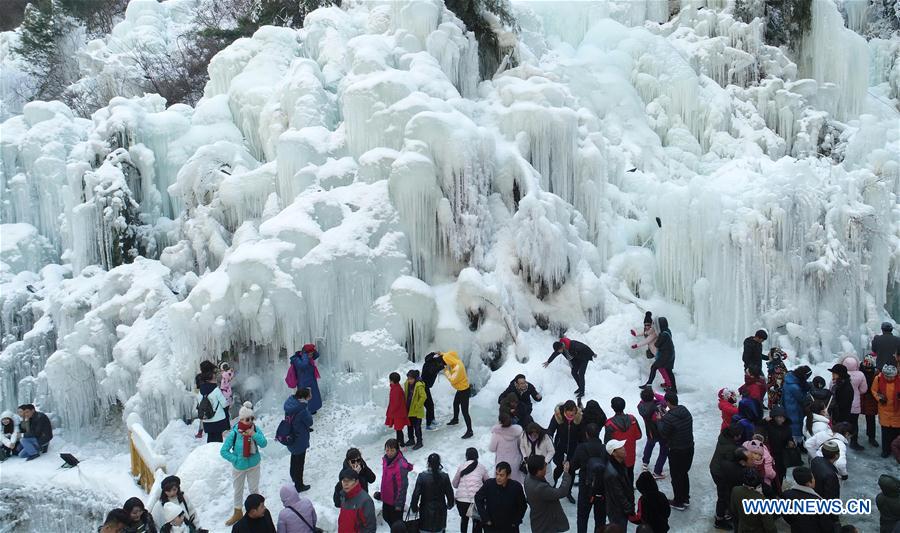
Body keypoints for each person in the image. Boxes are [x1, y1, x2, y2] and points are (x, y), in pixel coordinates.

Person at [221, 402, 268, 526]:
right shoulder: (234, 433)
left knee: (254, 489)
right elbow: (224, 451)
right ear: (241, 419)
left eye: (252, 418)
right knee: (238, 490)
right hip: (239, 467)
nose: (251, 421)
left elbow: (264, 443)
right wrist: (235, 459)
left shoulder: (255, 429)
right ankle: (238, 512)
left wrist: (253, 434)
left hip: (254, 464)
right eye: (248, 419)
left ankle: (257, 510)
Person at [658, 392, 693, 511]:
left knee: (676, 476)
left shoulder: (668, 418)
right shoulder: (685, 410)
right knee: (684, 473)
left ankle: (678, 501)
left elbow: (664, 433)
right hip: (689, 447)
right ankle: (685, 498)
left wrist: (660, 421)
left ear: (667, 402)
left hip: (677, 450)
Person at [571, 423, 607, 533]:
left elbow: (573, 466)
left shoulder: (581, 447)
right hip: (601, 488)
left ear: (587, 434)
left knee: (582, 517)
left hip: (586, 487)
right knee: (600, 520)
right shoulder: (605, 448)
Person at [782, 466, 840, 533]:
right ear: (808, 483)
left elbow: (786, 516)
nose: (814, 480)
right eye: (813, 478)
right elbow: (826, 526)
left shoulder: (786, 495)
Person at [473, 462, 528, 533]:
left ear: (508, 476)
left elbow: (522, 506)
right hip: (491, 526)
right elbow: (478, 498)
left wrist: (516, 521)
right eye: (496, 474)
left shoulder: (516, 487)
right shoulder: (489, 484)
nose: (498, 477)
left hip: (510, 527)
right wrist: (485, 518)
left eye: (501, 475)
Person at [523, 454, 572, 532]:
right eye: (544, 466)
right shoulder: (540, 488)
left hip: (537, 520)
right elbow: (562, 492)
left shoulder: (529, 477)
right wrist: (566, 472)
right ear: (538, 471)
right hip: (546, 524)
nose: (546, 467)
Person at [546, 400, 583, 501]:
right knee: (559, 468)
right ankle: (552, 488)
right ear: (565, 410)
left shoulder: (578, 418)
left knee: (571, 470)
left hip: (573, 448)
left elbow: (582, 434)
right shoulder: (558, 417)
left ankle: (568, 491)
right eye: (569, 411)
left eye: (574, 411)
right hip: (560, 447)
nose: (572, 413)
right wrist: (549, 442)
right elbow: (551, 430)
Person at [709, 425, 743, 530]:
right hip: (720, 473)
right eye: (739, 435)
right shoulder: (730, 448)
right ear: (735, 437)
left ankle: (726, 512)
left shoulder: (723, 438)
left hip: (715, 468)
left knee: (726, 493)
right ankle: (719, 520)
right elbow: (733, 463)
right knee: (723, 496)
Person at [411, 453, 455, 533]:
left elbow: (416, 494)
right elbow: (450, 494)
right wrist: (450, 504)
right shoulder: (444, 477)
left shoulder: (422, 476)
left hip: (425, 512)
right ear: (439, 463)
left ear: (428, 463)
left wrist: (414, 507)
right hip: (440, 512)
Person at [604, 396, 642, 485]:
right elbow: (639, 435)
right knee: (630, 474)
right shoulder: (632, 419)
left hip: (617, 458)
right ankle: (630, 491)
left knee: (619, 479)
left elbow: (607, 444)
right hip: (630, 455)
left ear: (612, 407)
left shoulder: (610, 424)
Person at [377, 438, 413, 527]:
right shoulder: (386, 460)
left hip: (395, 502)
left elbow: (402, 487)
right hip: (387, 499)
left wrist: (399, 505)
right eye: (387, 450)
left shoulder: (400, 465)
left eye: (392, 450)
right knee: (386, 517)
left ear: (397, 450)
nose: (389, 453)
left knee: (396, 525)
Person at [452, 448, 489, 533]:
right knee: (477, 521)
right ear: (477, 456)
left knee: (464, 520)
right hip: (476, 501)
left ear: (466, 456)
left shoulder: (461, 466)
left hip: (461, 500)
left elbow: (454, 484)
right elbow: (488, 482)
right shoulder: (481, 467)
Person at [284, 387, 313, 492]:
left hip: (291, 435)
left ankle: (293, 475)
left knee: (294, 457)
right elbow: (309, 422)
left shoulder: (290, 404)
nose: (311, 395)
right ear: (304, 397)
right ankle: (299, 485)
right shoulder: (302, 409)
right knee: (300, 462)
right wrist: (307, 410)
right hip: (300, 438)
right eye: (310, 394)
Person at [840, 355, 870, 451]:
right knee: (854, 423)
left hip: (843, 404)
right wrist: (857, 391)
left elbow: (832, 387)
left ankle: (841, 441)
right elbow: (864, 389)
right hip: (855, 404)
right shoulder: (860, 374)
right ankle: (854, 442)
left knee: (843, 423)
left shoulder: (840, 374)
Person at [442, 351, 474, 439]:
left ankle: (470, 431)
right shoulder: (455, 360)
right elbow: (447, 354)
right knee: (455, 403)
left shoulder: (458, 367)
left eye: (446, 361)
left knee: (465, 412)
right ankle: (455, 419)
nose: (446, 363)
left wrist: (446, 371)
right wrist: (440, 353)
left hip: (464, 390)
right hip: (460, 389)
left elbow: (452, 379)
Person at [604, 440, 635, 529]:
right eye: (620, 448)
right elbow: (619, 494)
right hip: (617, 511)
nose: (624, 449)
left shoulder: (620, 464)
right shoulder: (612, 473)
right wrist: (629, 508)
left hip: (621, 509)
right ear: (613, 453)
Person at [638, 387, 668, 479]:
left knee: (649, 445)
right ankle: (657, 472)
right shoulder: (658, 406)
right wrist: (655, 394)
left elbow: (642, 402)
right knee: (664, 451)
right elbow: (664, 400)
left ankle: (645, 463)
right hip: (662, 432)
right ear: (652, 397)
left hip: (650, 431)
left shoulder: (640, 406)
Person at [762, 406, 793, 491]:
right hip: (770, 454)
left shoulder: (787, 428)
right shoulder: (768, 425)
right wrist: (764, 421)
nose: (780, 419)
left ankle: (777, 490)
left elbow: (790, 438)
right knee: (769, 474)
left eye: (782, 417)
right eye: (778, 417)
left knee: (780, 474)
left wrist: (791, 442)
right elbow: (759, 427)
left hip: (782, 455)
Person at [873, 364, 900, 458]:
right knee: (885, 433)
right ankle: (886, 450)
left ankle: (896, 450)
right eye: (887, 376)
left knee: (896, 432)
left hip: (897, 411)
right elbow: (874, 390)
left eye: (891, 376)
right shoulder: (878, 378)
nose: (889, 378)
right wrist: (879, 398)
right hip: (884, 410)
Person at [338, 468, 377, 532]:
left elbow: (370, 528)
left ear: (356, 481)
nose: (346, 484)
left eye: (350, 480)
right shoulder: (344, 496)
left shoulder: (366, 501)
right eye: (344, 481)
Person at [642, 316, 676, 391]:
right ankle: (672, 387)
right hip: (670, 354)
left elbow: (657, 344)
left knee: (654, 367)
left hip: (665, 356)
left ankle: (649, 385)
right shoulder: (667, 331)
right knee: (669, 371)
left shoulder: (663, 334)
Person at [490, 413, 524, 484]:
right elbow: (521, 446)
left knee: (502, 483)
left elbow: (492, 448)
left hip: (501, 463)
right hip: (515, 462)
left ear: (499, 421)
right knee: (515, 484)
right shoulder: (517, 432)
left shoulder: (497, 433)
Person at [782, 365, 812, 444]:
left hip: (789, 406)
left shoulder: (789, 380)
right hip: (794, 409)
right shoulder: (794, 387)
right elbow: (802, 398)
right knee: (796, 426)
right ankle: (797, 444)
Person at [197, 370, 229, 443]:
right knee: (218, 439)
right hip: (218, 420)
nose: (215, 379)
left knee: (210, 438)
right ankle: (216, 453)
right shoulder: (216, 390)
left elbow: (200, 404)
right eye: (214, 378)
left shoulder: (200, 391)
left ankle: (210, 452)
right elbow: (224, 404)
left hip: (206, 419)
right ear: (210, 379)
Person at [289, 344, 322, 414]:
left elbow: (317, 355)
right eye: (310, 354)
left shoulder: (308, 358)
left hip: (311, 381)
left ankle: (312, 410)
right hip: (303, 382)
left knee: (313, 397)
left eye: (312, 354)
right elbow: (303, 365)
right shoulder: (297, 359)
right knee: (305, 398)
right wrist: (305, 355)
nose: (311, 356)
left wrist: (311, 350)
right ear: (305, 354)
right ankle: (305, 411)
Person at [860, 354, 881, 447]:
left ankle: (871, 437)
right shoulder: (859, 372)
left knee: (871, 418)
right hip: (861, 397)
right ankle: (853, 436)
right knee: (854, 417)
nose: (868, 370)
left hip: (870, 398)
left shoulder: (877, 374)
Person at [385, 372, 410, 446]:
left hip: (398, 413)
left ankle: (401, 442)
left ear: (392, 380)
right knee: (398, 428)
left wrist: (391, 412)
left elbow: (395, 403)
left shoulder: (396, 389)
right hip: (399, 412)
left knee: (399, 429)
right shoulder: (396, 387)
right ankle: (399, 441)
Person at [422, 352, 445, 430]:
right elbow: (433, 370)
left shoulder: (430, 361)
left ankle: (432, 419)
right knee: (429, 406)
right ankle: (428, 425)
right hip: (422, 387)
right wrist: (442, 366)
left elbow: (427, 357)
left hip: (426, 387)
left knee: (431, 404)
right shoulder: (431, 366)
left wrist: (434, 353)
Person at [405, 369, 427, 450]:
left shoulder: (419, 385)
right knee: (409, 425)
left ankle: (419, 441)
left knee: (417, 427)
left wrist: (417, 406)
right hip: (409, 409)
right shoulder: (407, 384)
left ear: (415, 378)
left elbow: (423, 396)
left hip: (416, 411)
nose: (409, 380)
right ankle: (411, 439)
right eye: (408, 378)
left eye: (411, 379)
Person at [194, 360, 216, 438]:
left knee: (203, 414)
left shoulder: (199, 377)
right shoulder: (213, 376)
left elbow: (197, 389)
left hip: (202, 398)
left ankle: (200, 431)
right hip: (213, 397)